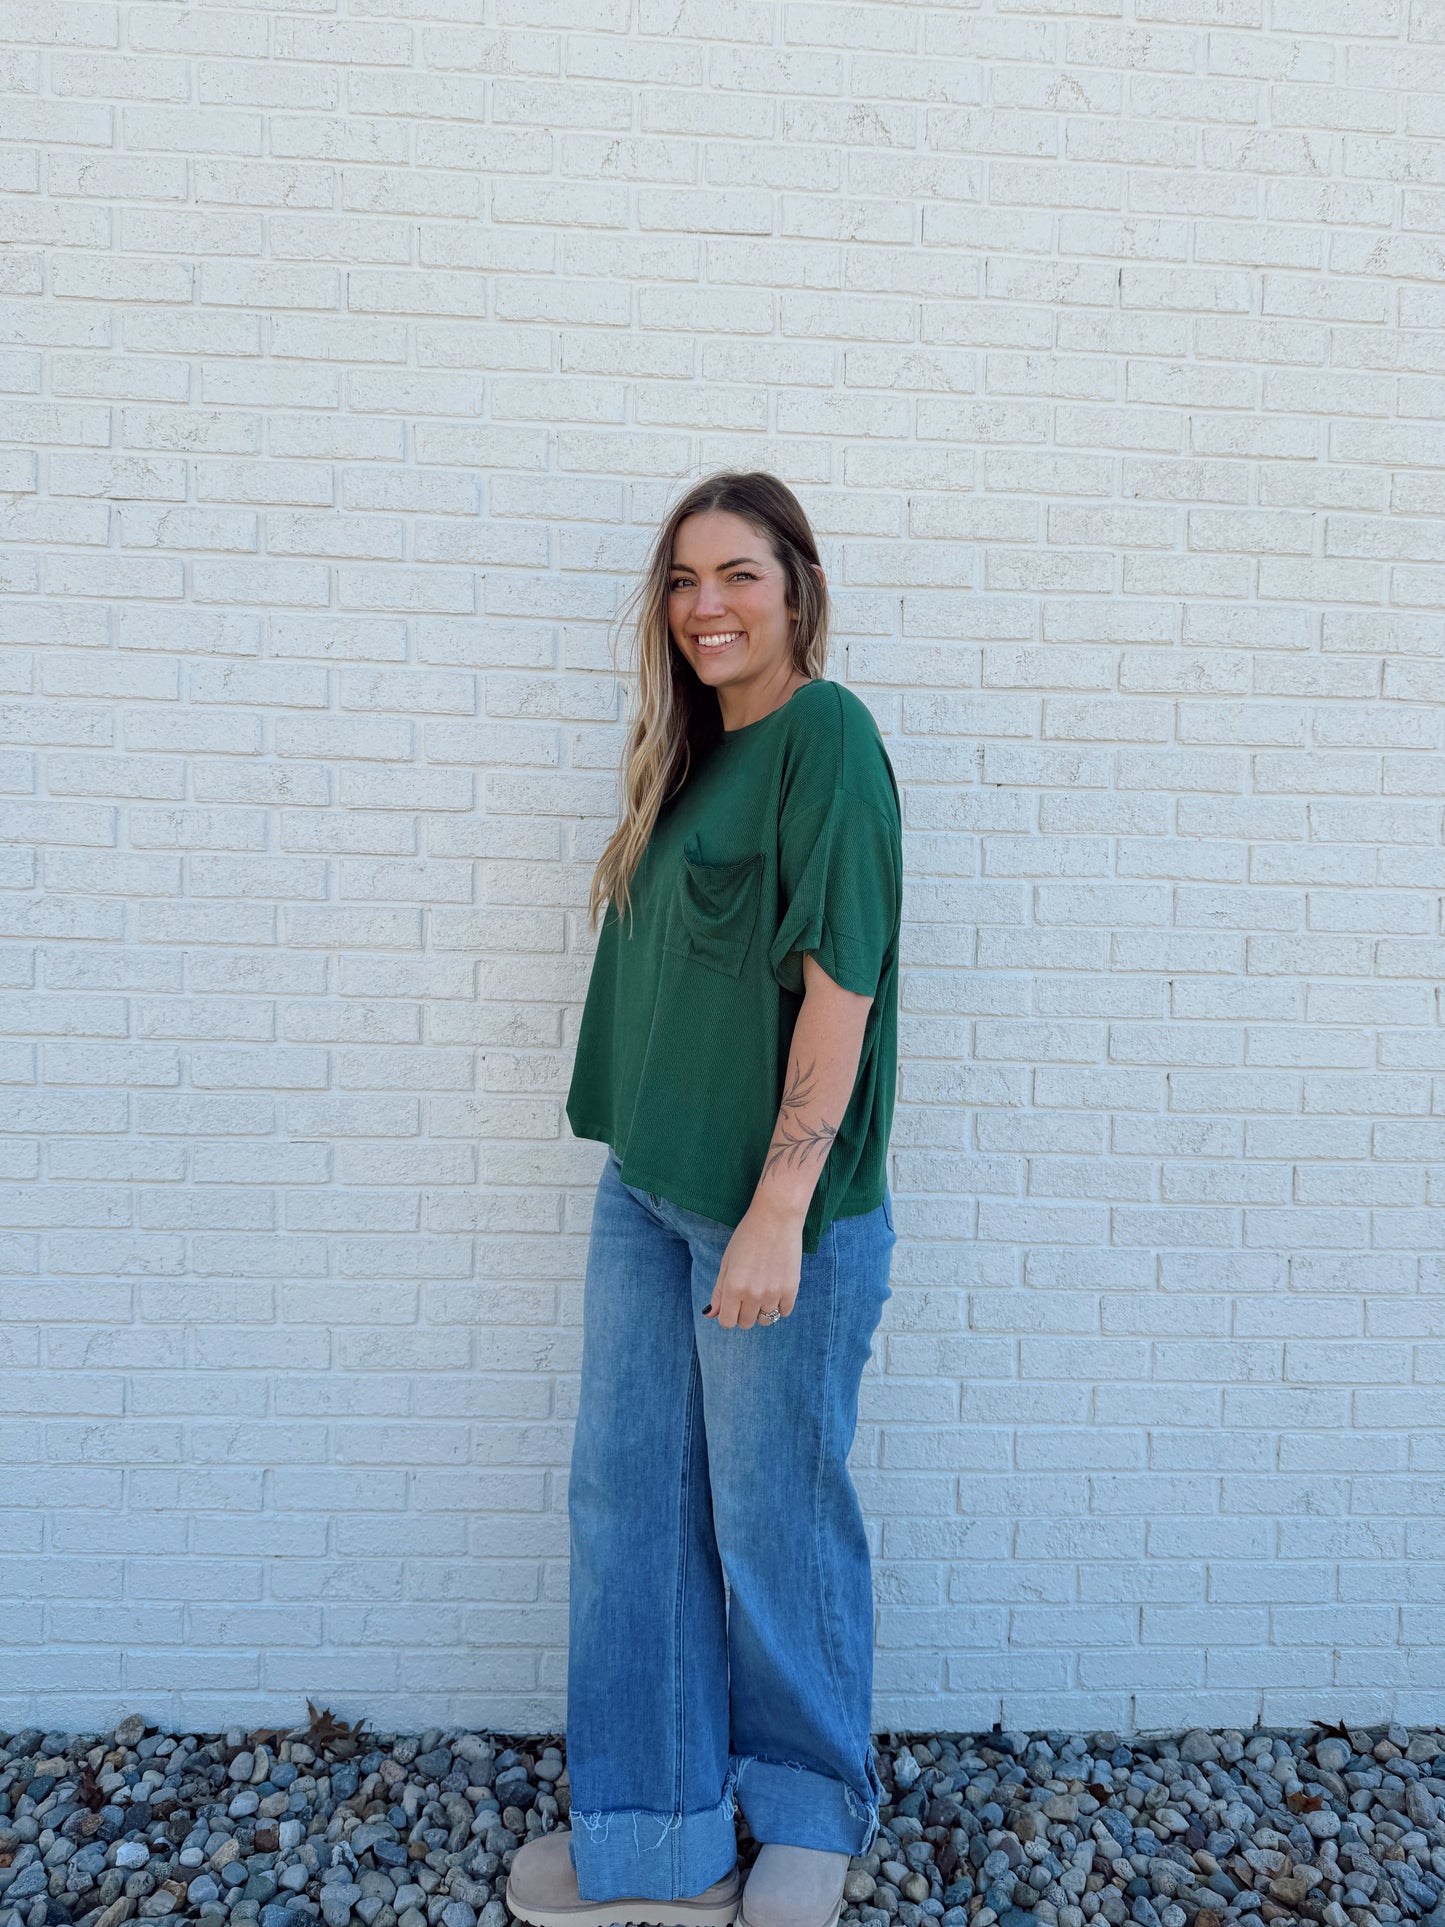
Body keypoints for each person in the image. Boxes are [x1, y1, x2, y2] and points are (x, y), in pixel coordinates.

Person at [505, 471, 903, 1927]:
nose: (704, 606)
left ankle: (807, 1814)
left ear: (799, 587)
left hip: (771, 1214)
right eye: (682, 580)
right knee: (627, 1510)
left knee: (773, 1522)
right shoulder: (688, 756)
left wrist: (778, 1208)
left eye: (737, 574)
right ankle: (654, 1834)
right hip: (646, 1188)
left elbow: (843, 985)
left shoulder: (825, 737)